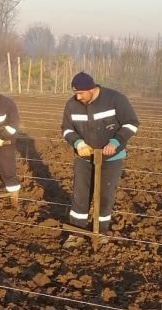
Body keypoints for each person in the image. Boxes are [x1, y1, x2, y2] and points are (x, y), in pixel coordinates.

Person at [61, 72, 139, 248]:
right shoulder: (72, 105)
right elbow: (66, 128)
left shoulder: (116, 99)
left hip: (112, 158)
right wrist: (78, 142)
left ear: (91, 89)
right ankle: (76, 232)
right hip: (84, 158)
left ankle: (101, 232)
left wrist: (116, 142)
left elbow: (131, 123)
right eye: (75, 93)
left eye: (81, 93)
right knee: (80, 194)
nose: (77, 97)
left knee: (105, 195)